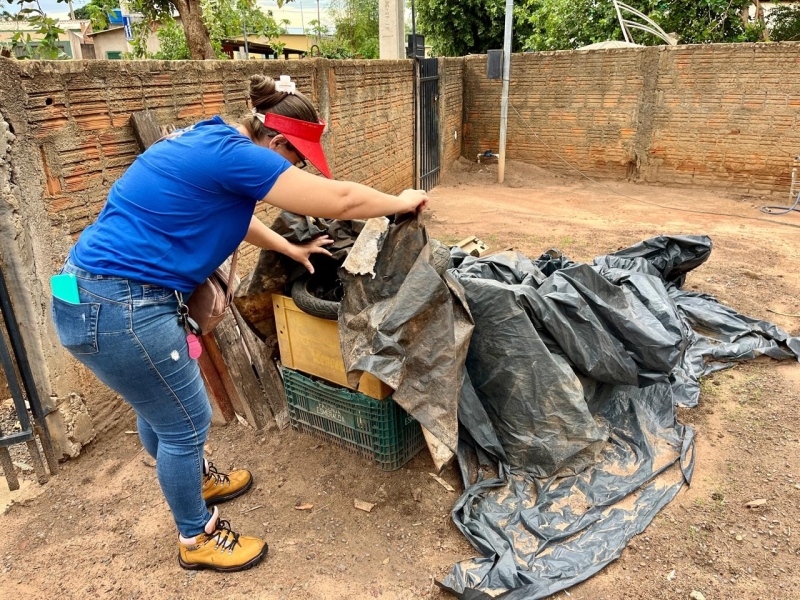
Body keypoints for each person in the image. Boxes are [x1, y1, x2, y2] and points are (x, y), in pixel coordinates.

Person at [50, 74, 428, 573]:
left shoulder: (210, 139)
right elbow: (341, 201)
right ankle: (196, 536)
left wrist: (288, 247)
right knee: (186, 423)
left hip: (85, 296)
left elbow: (233, 212)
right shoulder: (239, 156)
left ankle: (195, 479)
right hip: (121, 306)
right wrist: (402, 201)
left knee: (157, 403)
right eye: (295, 160)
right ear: (276, 143)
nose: (295, 170)